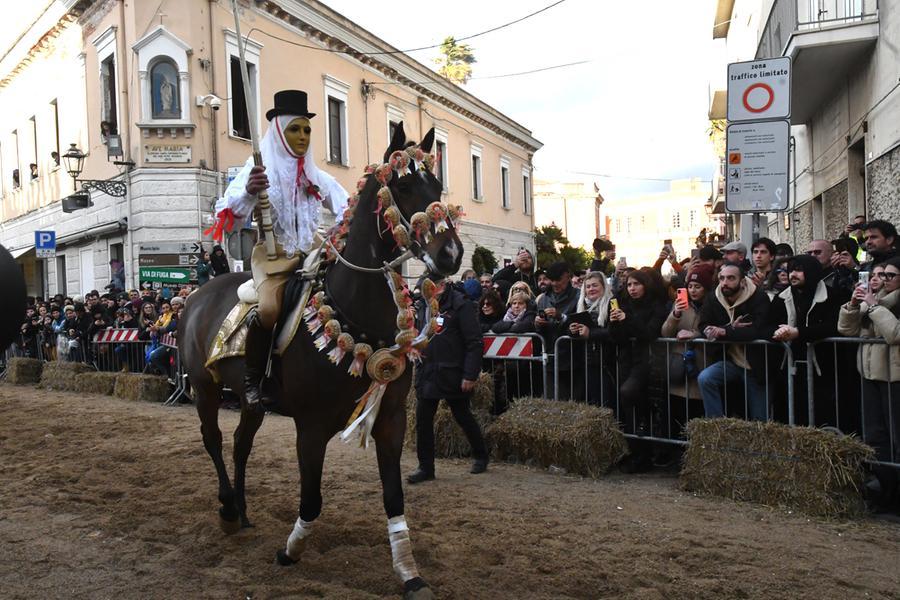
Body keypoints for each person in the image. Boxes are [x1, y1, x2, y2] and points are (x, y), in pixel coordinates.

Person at [211, 89, 349, 410]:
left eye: (307, 130)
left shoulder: (316, 175)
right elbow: (227, 217)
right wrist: (248, 191)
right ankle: (253, 380)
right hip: (273, 256)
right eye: (295, 129)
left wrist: (343, 232)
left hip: (313, 253)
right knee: (270, 309)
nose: (302, 136)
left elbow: (347, 207)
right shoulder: (258, 169)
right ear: (279, 132)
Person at [407, 277, 488, 484]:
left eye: (431, 286)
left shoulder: (461, 305)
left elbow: (474, 342)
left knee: (462, 415)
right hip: (428, 371)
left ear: (442, 285)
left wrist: (470, 374)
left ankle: (481, 455)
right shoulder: (423, 306)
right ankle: (425, 467)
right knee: (423, 421)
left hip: (453, 371)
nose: (427, 290)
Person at [838, 256, 900, 513]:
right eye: (880, 275)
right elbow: (846, 330)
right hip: (870, 375)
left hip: (895, 378)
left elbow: (894, 334)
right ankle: (887, 489)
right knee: (876, 437)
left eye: (889, 275)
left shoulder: (879, 305)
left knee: (897, 436)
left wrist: (874, 307)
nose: (882, 280)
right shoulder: (875, 301)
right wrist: (853, 305)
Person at [766, 255, 844, 427]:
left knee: (821, 415)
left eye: (799, 270)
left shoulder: (832, 296)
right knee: (788, 414)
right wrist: (778, 331)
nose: (793, 274)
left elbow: (834, 326)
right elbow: (767, 325)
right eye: (790, 270)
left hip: (822, 366)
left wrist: (799, 332)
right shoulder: (782, 297)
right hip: (788, 366)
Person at [608, 268, 668, 471]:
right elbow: (616, 338)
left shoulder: (656, 306)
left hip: (647, 361)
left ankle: (646, 447)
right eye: (629, 285)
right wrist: (614, 323)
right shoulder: (622, 304)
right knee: (627, 405)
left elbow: (649, 333)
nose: (632, 288)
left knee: (629, 393)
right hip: (626, 359)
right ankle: (637, 453)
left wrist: (627, 319)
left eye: (636, 284)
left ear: (645, 285)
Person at [696, 263, 771, 421]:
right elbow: (703, 325)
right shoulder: (713, 297)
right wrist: (719, 330)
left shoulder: (758, 297)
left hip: (756, 365)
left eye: (731, 278)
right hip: (730, 361)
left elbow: (756, 330)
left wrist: (725, 331)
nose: (725, 282)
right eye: (722, 278)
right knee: (705, 378)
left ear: (742, 281)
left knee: (760, 418)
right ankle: (715, 426)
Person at [660, 264, 715, 408]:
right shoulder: (680, 304)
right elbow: (666, 333)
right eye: (690, 286)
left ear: (706, 288)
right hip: (679, 367)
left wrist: (695, 335)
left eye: (697, 287)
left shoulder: (713, 305)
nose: (693, 290)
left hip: (702, 364)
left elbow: (716, 329)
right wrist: (675, 315)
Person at [566, 271, 614, 406]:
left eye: (595, 285)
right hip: (588, 360)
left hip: (608, 361)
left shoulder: (612, 303)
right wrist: (572, 330)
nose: (591, 289)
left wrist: (590, 334)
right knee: (593, 400)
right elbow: (569, 327)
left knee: (608, 400)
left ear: (603, 286)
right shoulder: (581, 305)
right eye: (588, 286)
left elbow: (615, 332)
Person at [535, 262, 581, 398]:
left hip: (573, 358)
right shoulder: (544, 298)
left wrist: (561, 317)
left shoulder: (578, 296)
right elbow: (538, 331)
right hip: (550, 357)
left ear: (567, 276)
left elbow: (582, 322)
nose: (555, 284)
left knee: (573, 400)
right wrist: (538, 323)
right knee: (552, 399)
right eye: (552, 280)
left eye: (558, 280)